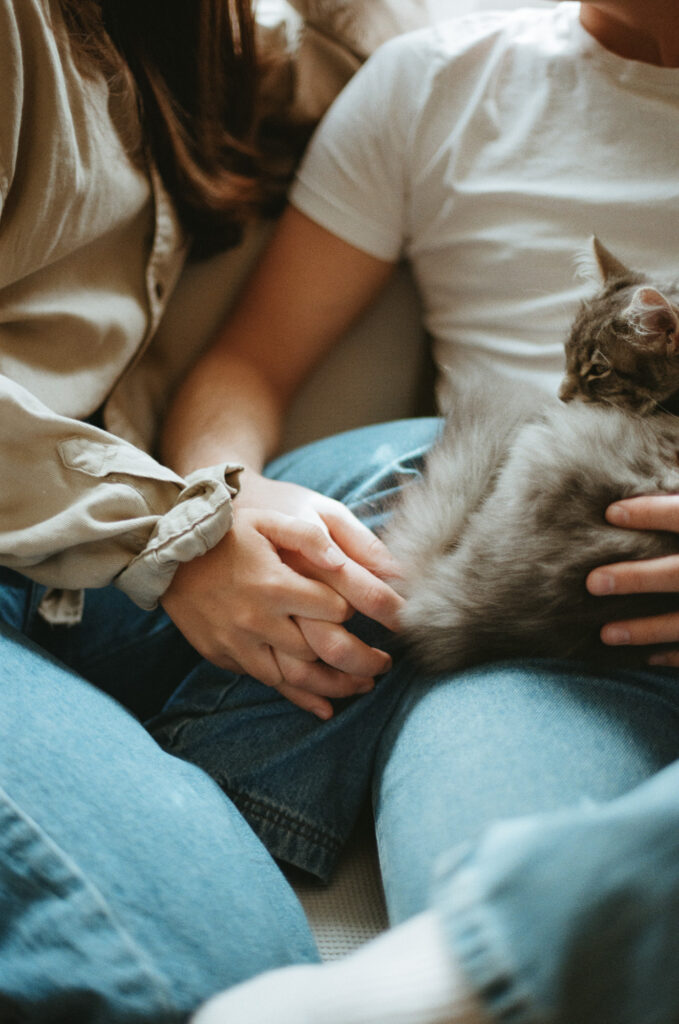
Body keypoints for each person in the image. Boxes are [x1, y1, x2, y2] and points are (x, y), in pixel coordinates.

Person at [2, 5, 679, 1024]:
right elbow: (247, 365)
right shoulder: (438, 79)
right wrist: (210, 511)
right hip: (546, 622)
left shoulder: (194, 45)